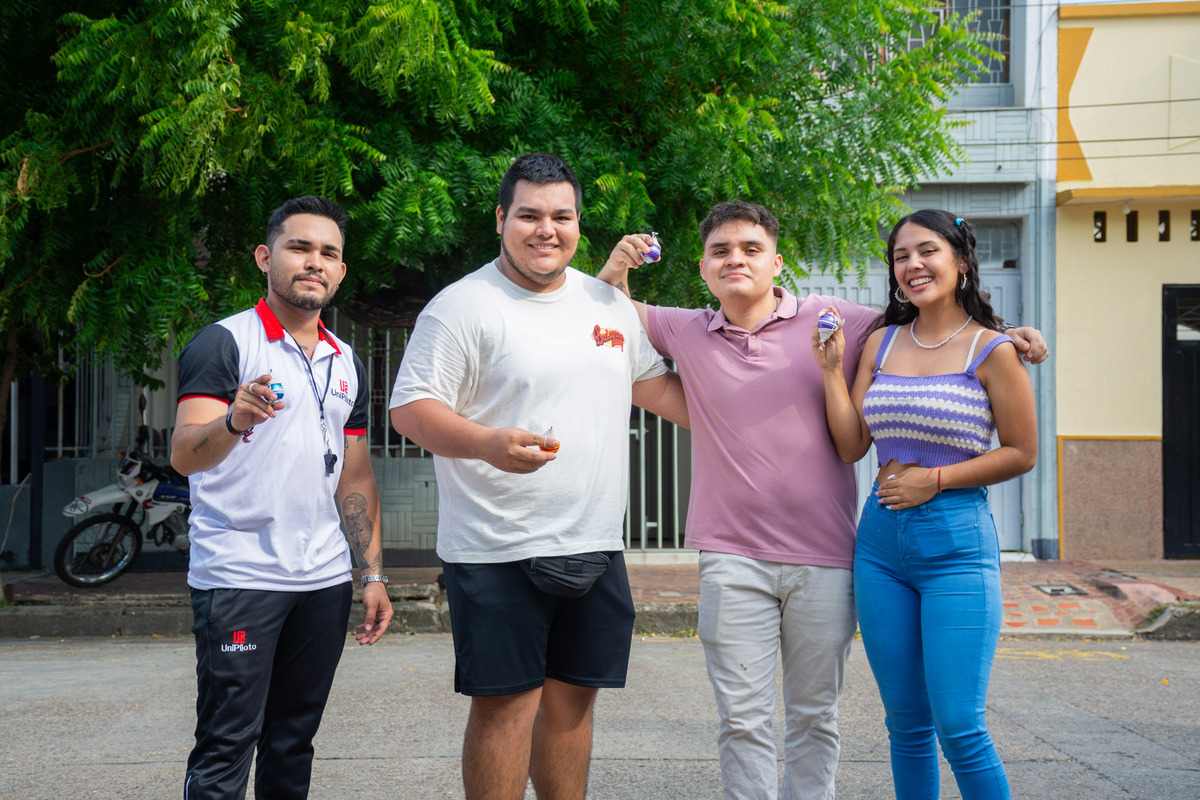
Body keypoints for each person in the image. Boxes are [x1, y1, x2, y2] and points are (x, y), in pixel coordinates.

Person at [596, 201, 1046, 800]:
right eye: (721, 251)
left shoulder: (840, 319)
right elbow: (605, 321)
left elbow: (941, 322)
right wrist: (615, 272)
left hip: (834, 553)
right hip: (747, 553)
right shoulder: (687, 329)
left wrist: (1013, 337)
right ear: (701, 268)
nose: (736, 260)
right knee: (757, 720)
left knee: (840, 719)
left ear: (777, 261)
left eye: (752, 249)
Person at [388, 153, 689, 800]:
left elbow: (662, 392)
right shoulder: (463, 306)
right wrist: (487, 444)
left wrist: (769, 390)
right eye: (528, 214)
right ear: (501, 219)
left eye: (561, 216)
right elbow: (411, 410)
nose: (545, 229)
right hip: (497, 548)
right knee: (506, 707)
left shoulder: (605, 301)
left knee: (574, 707)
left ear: (579, 223)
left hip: (595, 542)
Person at [171, 196, 394, 799]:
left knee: (294, 741)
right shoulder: (224, 343)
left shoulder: (347, 360)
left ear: (341, 271)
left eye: (329, 253)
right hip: (241, 574)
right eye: (300, 247)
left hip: (321, 580)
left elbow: (355, 478)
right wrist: (235, 422)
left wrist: (369, 573)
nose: (314, 262)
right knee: (226, 742)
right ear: (266, 257)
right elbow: (185, 453)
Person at [814, 209, 1037, 799]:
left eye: (927, 251)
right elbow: (850, 444)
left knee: (960, 725)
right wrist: (833, 374)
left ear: (961, 261)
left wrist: (934, 480)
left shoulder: (994, 351)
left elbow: (1021, 452)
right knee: (906, 726)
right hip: (881, 548)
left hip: (956, 546)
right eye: (900, 256)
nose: (913, 265)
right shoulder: (882, 343)